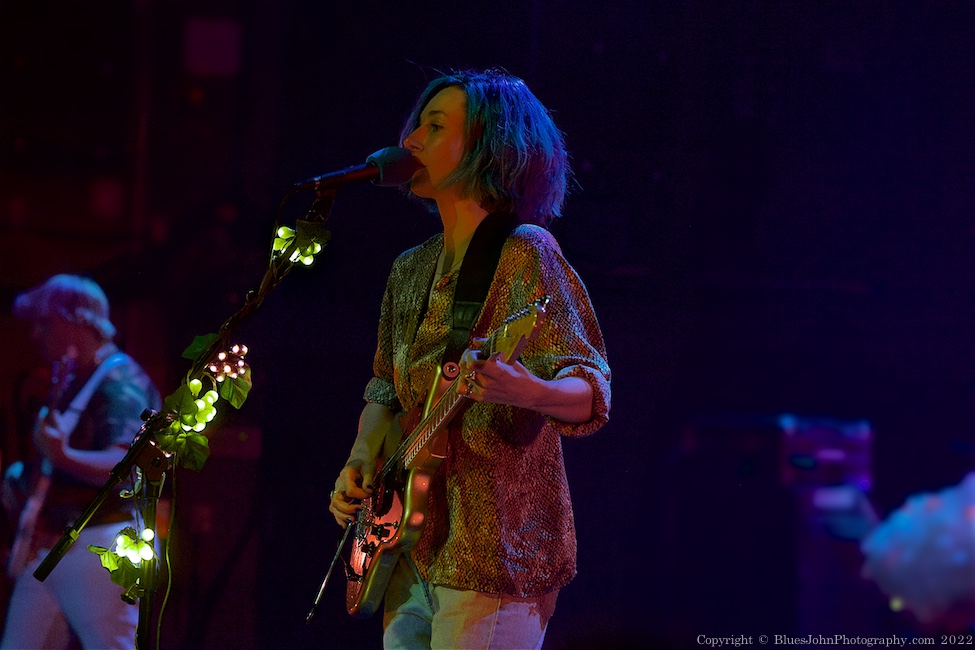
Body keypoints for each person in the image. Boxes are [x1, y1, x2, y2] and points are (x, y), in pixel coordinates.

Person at [328, 69, 611, 649]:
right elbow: (385, 388)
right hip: (406, 548)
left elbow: (592, 389)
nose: (410, 140)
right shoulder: (410, 267)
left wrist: (527, 390)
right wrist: (360, 459)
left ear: (489, 148)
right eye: (417, 124)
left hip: (494, 553)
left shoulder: (526, 253)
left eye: (435, 127)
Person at [1, 274, 161, 649]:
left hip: (99, 547)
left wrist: (63, 456)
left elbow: (129, 465)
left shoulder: (121, 380)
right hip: (57, 548)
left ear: (73, 320)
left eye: (44, 323)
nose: (35, 335)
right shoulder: (80, 378)